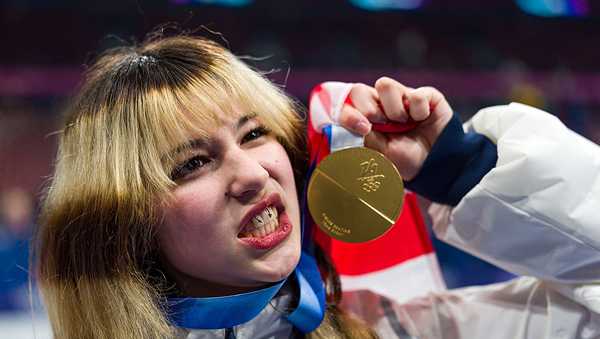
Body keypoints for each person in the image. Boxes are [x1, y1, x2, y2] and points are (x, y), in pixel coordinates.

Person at [34, 34, 600, 339]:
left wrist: (462, 169)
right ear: (128, 226)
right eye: (191, 165)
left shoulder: (399, 331)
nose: (253, 174)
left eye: (255, 134)